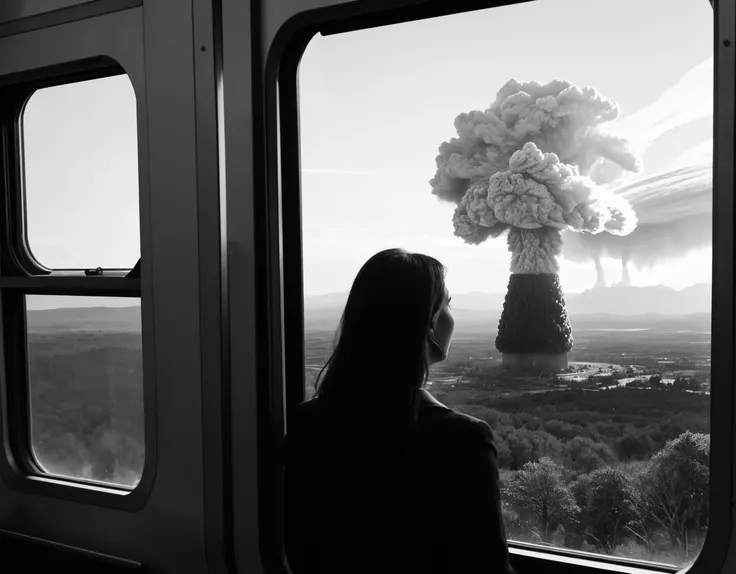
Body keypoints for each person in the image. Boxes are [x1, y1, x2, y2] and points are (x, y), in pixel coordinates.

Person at [284, 248, 515, 574]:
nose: (451, 315)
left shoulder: (307, 421)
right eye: (448, 304)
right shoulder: (464, 440)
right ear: (428, 323)